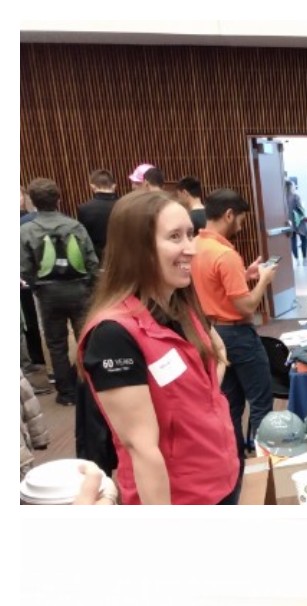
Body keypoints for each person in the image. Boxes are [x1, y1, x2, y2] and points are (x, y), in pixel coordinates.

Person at [77, 189, 240, 504]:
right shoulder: (113, 335)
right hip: (180, 501)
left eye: (190, 235)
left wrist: (199, 407)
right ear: (138, 249)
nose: (190, 249)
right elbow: (142, 450)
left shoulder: (180, 307)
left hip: (220, 479)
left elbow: (215, 360)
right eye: (175, 237)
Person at [191, 188, 277, 469]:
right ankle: (265, 464)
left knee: (231, 403)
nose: (241, 225)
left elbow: (217, 288)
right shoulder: (225, 254)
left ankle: (235, 463)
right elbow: (247, 306)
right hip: (238, 334)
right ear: (229, 214)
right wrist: (263, 279)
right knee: (261, 401)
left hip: (211, 333)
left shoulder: (197, 247)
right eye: (240, 219)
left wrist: (246, 275)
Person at [20, 177, 100, 406]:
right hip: (79, 288)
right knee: (85, 339)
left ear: (32, 202)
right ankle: (91, 388)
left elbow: (24, 268)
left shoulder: (27, 230)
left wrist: (36, 286)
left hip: (48, 293)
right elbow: (91, 261)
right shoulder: (75, 226)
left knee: (56, 345)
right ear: (59, 199)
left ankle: (66, 394)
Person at [77, 168, 119, 260]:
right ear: (114, 186)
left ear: (92, 187)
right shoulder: (125, 204)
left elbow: (85, 238)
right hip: (123, 256)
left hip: (98, 258)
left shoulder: (84, 208)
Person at [285, 179, 307, 264]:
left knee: (293, 241)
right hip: (298, 222)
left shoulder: (283, 198)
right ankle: (305, 259)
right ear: (291, 187)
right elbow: (300, 208)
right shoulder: (295, 196)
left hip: (289, 222)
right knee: (304, 239)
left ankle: (296, 260)